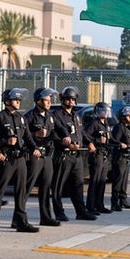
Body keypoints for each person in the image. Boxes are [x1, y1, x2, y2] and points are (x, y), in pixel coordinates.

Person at [0, 88, 40, 234]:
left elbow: (28, 137)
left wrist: (34, 148)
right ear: (7, 101)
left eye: (19, 100)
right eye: (15, 100)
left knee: (21, 191)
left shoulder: (21, 117)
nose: (18, 102)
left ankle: (21, 222)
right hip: (6, 159)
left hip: (20, 159)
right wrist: (5, 141)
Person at [52, 87, 97, 221]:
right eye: (68, 99)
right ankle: (59, 212)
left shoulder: (76, 116)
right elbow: (53, 134)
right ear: (62, 100)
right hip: (64, 155)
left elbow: (81, 132)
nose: (70, 101)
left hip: (77, 156)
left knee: (78, 184)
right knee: (58, 185)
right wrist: (66, 144)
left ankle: (81, 212)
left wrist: (89, 142)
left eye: (72, 99)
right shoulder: (56, 115)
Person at [25, 88, 59, 227]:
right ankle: (18, 217)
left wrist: (64, 139)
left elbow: (55, 133)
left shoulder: (50, 116)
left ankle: (45, 217)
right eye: (46, 100)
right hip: (35, 155)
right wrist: (35, 135)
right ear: (38, 101)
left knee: (46, 187)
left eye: (50, 100)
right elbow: (24, 136)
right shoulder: (29, 116)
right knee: (27, 186)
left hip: (47, 156)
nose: (49, 102)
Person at [85, 102, 113, 214]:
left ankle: (99, 204)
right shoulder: (94, 123)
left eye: (106, 111)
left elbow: (109, 138)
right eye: (103, 110)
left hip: (105, 154)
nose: (105, 113)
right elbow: (86, 136)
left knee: (102, 181)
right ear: (97, 111)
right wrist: (96, 141)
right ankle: (90, 206)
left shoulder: (105, 123)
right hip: (97, 155)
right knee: (95, 180)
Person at [109, 106, 130, 211]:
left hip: (127, 157)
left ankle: (123, 200)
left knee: (124, 180)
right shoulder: (119, 127)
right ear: (123, 117)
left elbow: (129, 140)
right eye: (128, 116)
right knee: (118, 180)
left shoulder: (128, 127)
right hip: (120, 157)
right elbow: (114, 140)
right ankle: (114, 203)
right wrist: (121, 144)